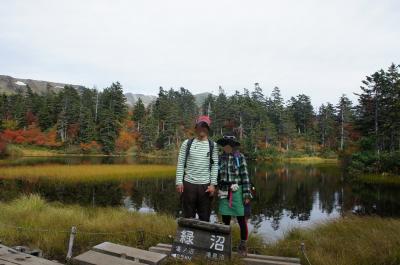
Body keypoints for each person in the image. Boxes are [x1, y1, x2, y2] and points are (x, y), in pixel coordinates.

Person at [175, 115, 218, 222]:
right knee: (188, 217)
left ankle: (202, 238)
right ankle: (188, 237)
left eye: (205, 126)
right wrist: (179, 181)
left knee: (204, 218)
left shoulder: (213, 146)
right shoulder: (187, 144)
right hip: (188, 184)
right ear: (196, 127)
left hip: (206, 186)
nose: (202, 129)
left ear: (208, 129)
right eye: (200, 126)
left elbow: (215, 166)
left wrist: (213, 184)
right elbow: (180, 163)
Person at [217, 133, 252, 256]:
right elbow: (216, 176)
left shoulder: (239, 157)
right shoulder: (220, 158)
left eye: (230, 144)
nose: (227, 146)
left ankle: (243, 246)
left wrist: (247, 194)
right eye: (225, 144)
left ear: (233, 146)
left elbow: (245, 176)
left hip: (237, 192)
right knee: (225, 220)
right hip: (224, 192)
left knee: (241, 220)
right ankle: (226, 244)